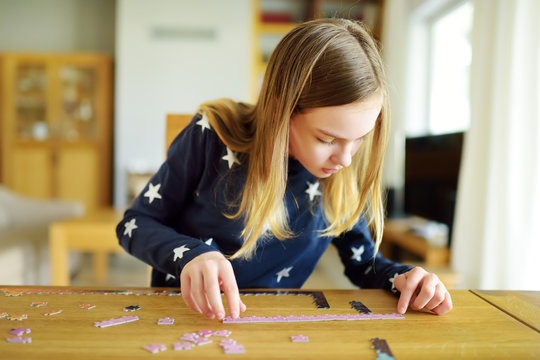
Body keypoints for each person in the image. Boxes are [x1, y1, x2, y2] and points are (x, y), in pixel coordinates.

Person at [116, 18, 453, 320]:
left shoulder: (338, 174)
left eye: (360, 139)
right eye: (327, 138)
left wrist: (406, 278)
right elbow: (134, 223)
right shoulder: (211, 135)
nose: (346, 159)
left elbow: (365, 265)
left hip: (273, 326)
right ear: (280, 110)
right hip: (183, 318)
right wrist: (191, 255)